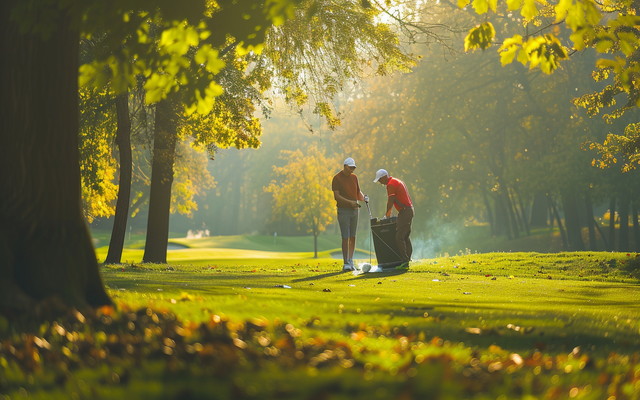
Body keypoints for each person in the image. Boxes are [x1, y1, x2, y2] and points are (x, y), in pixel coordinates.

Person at [373, 169, 413, 267]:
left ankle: (405, 261)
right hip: (408, 210)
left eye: (379, 179)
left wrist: (387, 215)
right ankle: (408, 259)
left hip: (405, 212)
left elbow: (390, 201)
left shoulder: (390, 184)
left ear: (384, 176)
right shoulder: (396, 180)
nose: (380, 182)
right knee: (405, 237)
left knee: (399, 237)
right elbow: (397, 199)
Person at [332, 157, 367, 271]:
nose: (352, 170)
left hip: (355, 210)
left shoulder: (354, 177)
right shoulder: (337, 178)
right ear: (345, 166)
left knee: (353, 236)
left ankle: (351, 260)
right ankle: (345, 262)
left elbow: (357, 192)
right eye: (350, 167)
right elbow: (337, 196)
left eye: (354, 168)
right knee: (345, 237)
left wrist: (363, 198)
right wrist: (350, 203)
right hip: (343, 211)